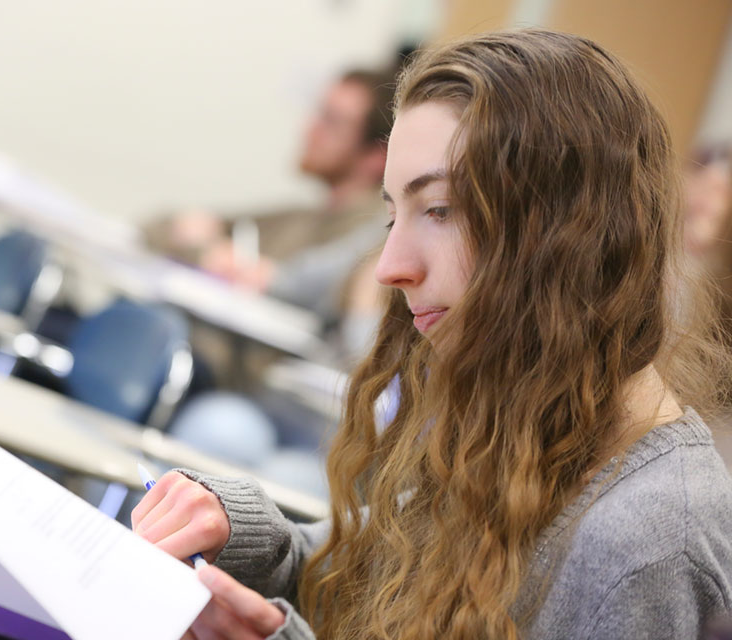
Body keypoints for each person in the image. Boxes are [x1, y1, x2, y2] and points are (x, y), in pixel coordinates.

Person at [130, 29, 732, 640]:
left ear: (569, 232)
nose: (391, 267)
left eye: (440, 210)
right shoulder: (515, 417)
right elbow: (360, 579)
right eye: (393, 215)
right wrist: (239, 532)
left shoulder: (652, 542)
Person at [145, 68, 394, 328]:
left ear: (377, 156)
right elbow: (159, 226)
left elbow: (281, 287)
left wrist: (210, 255)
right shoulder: (298, 218)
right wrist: (208, 253)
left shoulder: (370, 243)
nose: (310, 129)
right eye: (318, 113)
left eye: (331, 121)